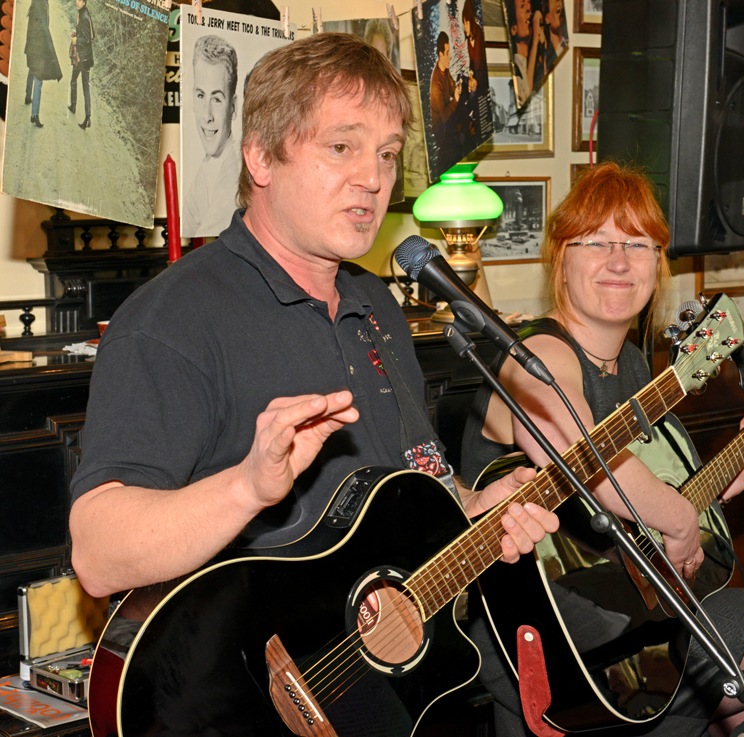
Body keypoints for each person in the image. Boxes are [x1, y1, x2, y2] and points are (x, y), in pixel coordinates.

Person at [69, 31, 557, 733]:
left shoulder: (380, 307)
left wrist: (475, 510)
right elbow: (97, 552)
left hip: (386, 697)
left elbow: (403, 498)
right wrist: (247, 486)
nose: (373, 177)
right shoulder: (173, 320)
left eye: (388, 154)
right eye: (342, 147)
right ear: (261, 156)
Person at [460, 162, 744, 737]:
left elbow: (634, 512)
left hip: (643, 628)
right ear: (561, 259)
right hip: (566, 657)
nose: (619, 262)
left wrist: (734, 476)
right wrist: (682, 517)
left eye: (638, 245)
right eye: (599, 243)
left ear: (658, 267)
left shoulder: (633, 365)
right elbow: (580, 456)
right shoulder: (537, 354)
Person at [183, 34, 241, 237]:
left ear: (232, 107)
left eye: (216, 99)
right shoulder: (207, 168)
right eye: (201, 96)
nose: (206, 116)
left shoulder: (234, 172)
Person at [23, 0, 61, 129]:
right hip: (37, 47)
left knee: (32, 69)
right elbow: (40, 30)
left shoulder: (41, 3)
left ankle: (28, 96)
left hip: (33, 47)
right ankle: (34, 115)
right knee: (38, 80)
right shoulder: (40, 5)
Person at [506, 0, 544, 106]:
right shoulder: (516, 69)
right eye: (523, 6)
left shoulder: (538, 62)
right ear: (514, 29)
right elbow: (525, 97)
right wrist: (535, 41)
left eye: (529, 3)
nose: (529, 9)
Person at [429, 30, 461, 143]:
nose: (450, 57)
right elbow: (443, 117)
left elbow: (452, 88)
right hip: (441, 130)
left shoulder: (445, 70)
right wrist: (456, 100)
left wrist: (459, 87)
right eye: (447, 53)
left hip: (447, 117)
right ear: (440, 54)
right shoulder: (436, 85)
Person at [68, 0, 94, 130]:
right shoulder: (84, 13)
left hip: (82, 58)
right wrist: (76, 33)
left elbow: (88, 39)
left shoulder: (84, 17)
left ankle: (84, 115)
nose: (77, 2)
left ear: (84, 2)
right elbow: (87, 33)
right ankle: (76, 109)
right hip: (84, 57)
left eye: (80, 1)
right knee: (81, 85)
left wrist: (76, 39)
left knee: (79, 84)